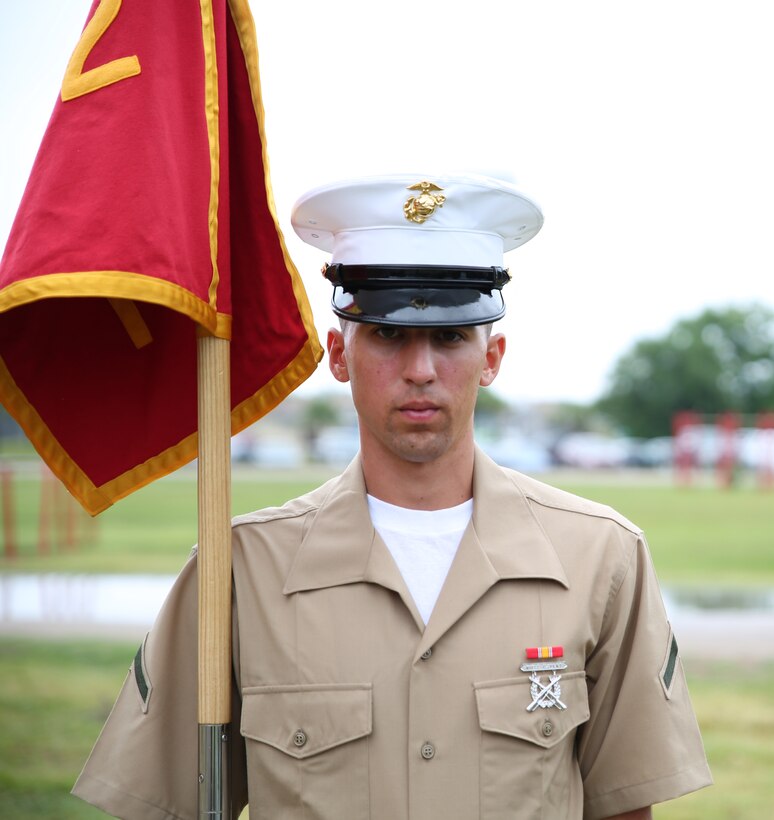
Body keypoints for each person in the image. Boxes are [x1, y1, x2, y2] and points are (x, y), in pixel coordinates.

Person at [73, 173, 712, 819]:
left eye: (451, 338)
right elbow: (162, 800)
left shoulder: (599, 556)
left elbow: (626, 803)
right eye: (386, 334)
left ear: (492, 356)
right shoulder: (241, 568)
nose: (420, 370)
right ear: (337, 354)